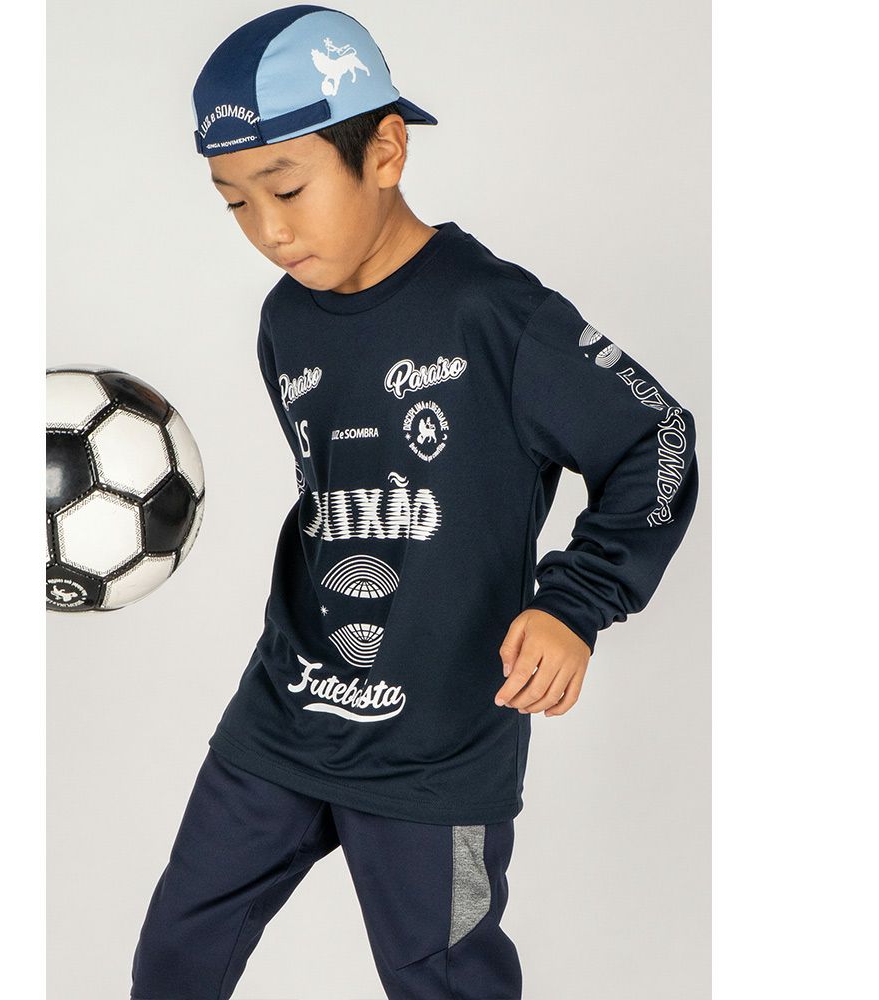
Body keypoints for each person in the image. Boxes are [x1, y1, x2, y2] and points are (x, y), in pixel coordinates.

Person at [130, 5, 700, 999]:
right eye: (234, 203)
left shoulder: (497, 315)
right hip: (287, 711)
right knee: (176, 952)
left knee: (443, 982)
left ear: (385, 152)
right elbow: (334, 498)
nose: (268, 230)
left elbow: (657, 438)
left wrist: (575, 603)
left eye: (287, 188)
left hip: (437, 744)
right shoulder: (284, 321)